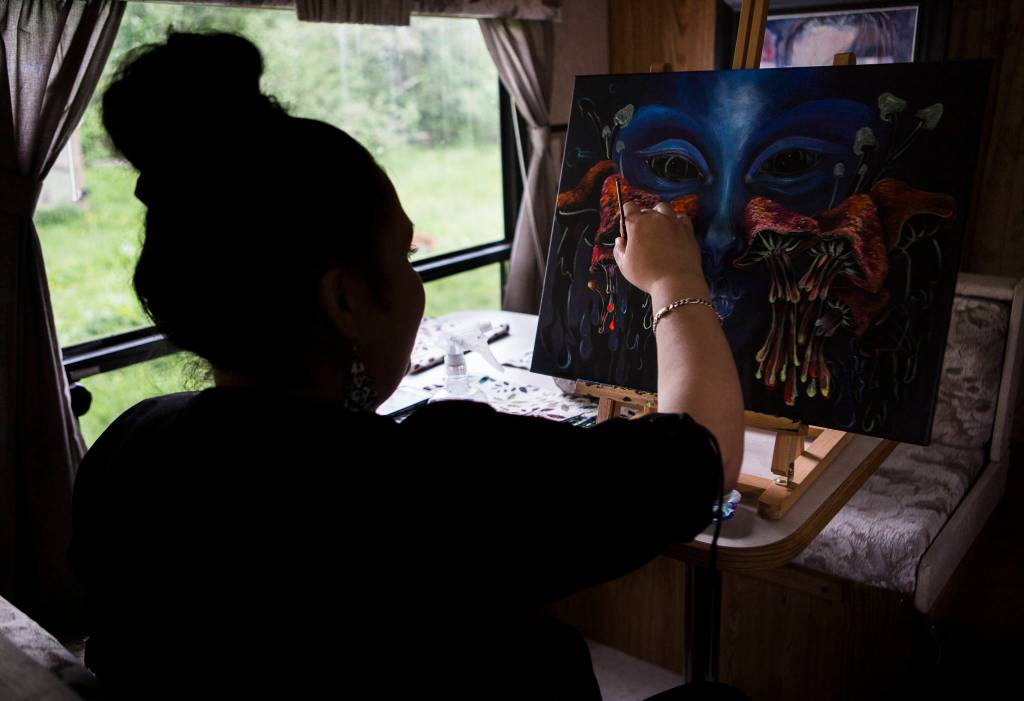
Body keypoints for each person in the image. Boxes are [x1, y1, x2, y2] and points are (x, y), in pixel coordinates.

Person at [67, 31, 744, 700]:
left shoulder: (127, 447)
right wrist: (673, 280)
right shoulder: (431, 477)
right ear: (345, 299)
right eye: (404, 258)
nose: (416, 285)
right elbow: (702, 452)